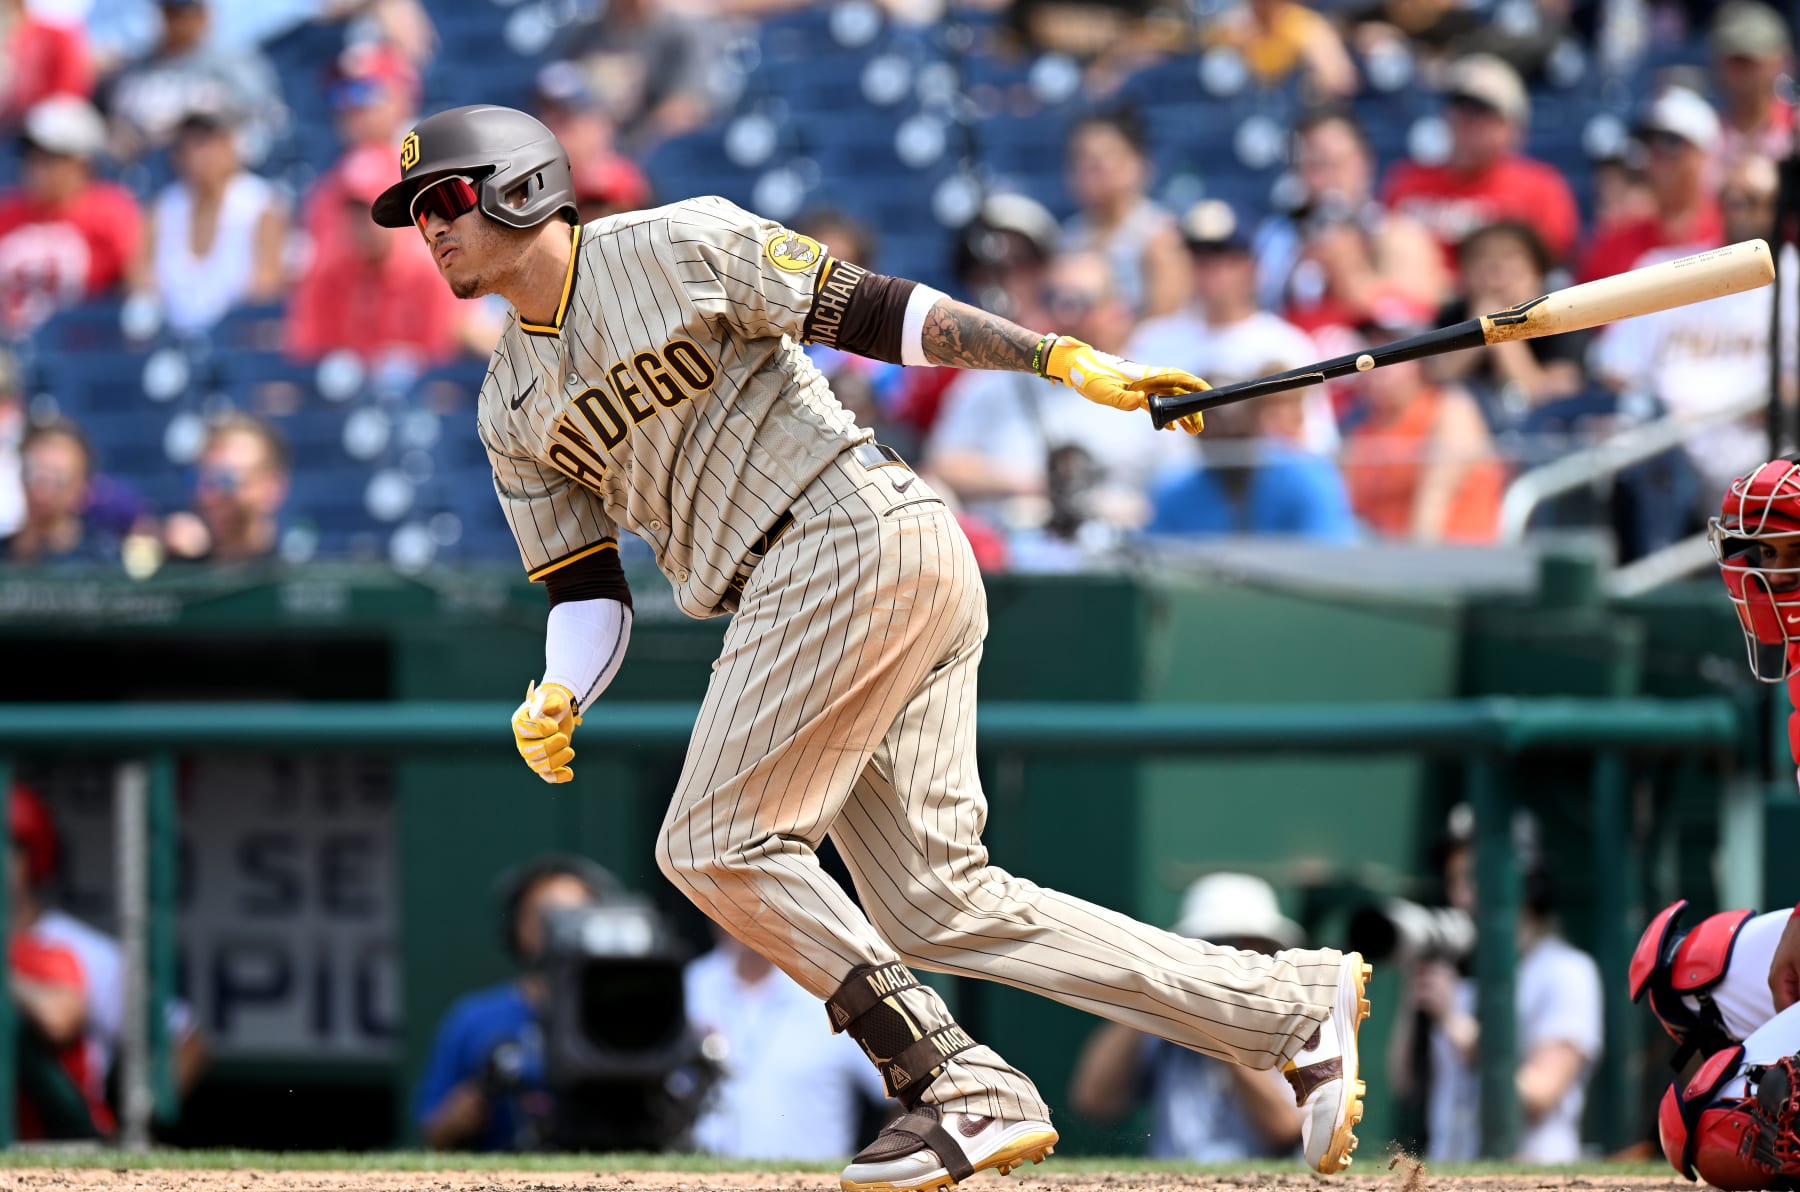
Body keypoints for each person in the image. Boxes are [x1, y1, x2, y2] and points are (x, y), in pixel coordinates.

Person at [372, 102, 1372, 1186]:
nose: (427, 227)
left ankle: (956, 1082)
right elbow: (585, 583)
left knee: (711, 841)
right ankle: (1285, 1009)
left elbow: (867, 309)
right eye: (414, 212)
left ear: (520, 186)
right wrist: (562, 686)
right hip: (826, 576)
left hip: (843, 532)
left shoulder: (669, 242)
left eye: (445, 199)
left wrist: (1052, 357)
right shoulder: (507, 399)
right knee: (939, 902)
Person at [924, 251, 1191, 538]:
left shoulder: (1149, 390)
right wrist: (1029, 484)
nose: (1065, 314)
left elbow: (1180, 485)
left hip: (1118, 553)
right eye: (1053, 299)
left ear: (1114, 311)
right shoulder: (996, 379)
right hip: (1013, 551)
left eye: (1079, 302)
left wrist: (1121, 508)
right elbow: (940, 465)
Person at [1386, 807, 1602, 1162]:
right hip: (1449, 1176)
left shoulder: (1567, 971)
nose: (1462, 897)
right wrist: (1417, 1003)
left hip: (1535, 1180)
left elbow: (1538, 1095)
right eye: (1454, 880)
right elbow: (1404, 1080)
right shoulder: (1456, 972)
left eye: (1473, 877)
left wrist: (1455, 1024)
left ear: (1527, 878)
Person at [1591, 154, 1795, 506]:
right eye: (1730, 199)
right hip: (1665, 447)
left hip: (1758, 452)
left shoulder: (1794, 280)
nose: (1739, 210)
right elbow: (1614, 365)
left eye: (1753, 201)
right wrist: (1667, 410)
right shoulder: (1668, 267)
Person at [1069, 873, 1308, 1159]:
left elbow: (1286, 1129)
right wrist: (1150, 994)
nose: (1230, 960)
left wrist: (1221, 1035)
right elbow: (1095, 1101)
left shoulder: (1296, 1023)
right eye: (1213, 945)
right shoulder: (1168, 1023)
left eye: (1246, 947)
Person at [414, 856, 610, 1151]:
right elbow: (432, 1130)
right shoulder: (474, 1019)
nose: (559, 931)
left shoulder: (624, 1018)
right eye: (545, 917)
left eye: (574, 916)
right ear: (517, 926)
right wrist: (463, 1114)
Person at [1134, 199, 1338, 455]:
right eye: (1200, 258)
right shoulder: (1153, 342)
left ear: (1252, 268)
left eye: (1224, 258)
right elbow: (1132, 439)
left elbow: (1318, 442)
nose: (1211, 271)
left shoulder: (1287, 345)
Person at [685, 927, 888, 1160]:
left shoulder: (831, 990)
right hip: (708, 1179)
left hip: (813, 1181)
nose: (740, 917)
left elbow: (901, 1092)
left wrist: (886, 1162)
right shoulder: (692, 983)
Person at [1256, 107, 1447, 354]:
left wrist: (1348, 274)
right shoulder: (1277, 238)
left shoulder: (1399, 233)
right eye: (1314, 166)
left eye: (1338, 163)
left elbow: (1420, 322)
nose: (1327, 179)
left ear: (1364, 162)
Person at [1381, 54, 1579, 269]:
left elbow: (1550, 264)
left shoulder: (1541, 187)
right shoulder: (1407, 180)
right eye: (1459, 107)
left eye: (1481, 112)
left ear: (1511, 127)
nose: (1467, 121)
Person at [287, 144, 465, 365]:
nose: (362, 225)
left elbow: (438, 361)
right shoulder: (326, 274)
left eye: (372, 213)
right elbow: (307, 354)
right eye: (354, 214)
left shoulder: (428, 274)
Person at [1340, 318, 1505, 543]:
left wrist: (1412, 569)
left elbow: (1431, 512)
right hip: (1380, 559)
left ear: (1420, 362)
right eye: (1368, 355)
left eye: (1387, 355)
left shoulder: (1449, 411)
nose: (1374, 368)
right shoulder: (1361, 432)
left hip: (1452, 559)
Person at [9, 784, 112, 1140]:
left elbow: (59, 1018)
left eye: (11, 847)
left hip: (67, 1147)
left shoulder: (67, 949)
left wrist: (141, 1126)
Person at [130, 103, 284, 336]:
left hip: (237, 344)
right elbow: (141, 281)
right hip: (172, 342)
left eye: (204, 142)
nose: (195, 154)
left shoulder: (261, 205)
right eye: (186, 145)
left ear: (230, 146)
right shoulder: (160, 209)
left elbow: (266, 286)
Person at [0, 96, 141, 335]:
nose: (37, 167)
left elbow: (135, 289)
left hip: (83, 348)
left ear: (81, 163)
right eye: (32, 157)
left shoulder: (111, 211)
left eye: (50, 158)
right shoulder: (7, 212)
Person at [1144, 392, 1356, 541]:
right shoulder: (1176, 492)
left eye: (1234, 426)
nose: (1221, 432)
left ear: (1255, 423)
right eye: (1206, 424)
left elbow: (1327, 556)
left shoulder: (1308, 477)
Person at [1433, 222, 1588, 416]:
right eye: (1481, 258)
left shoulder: (1562, 315)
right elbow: (1434, 382)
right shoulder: (1452, 314)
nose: (1495, 271)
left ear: (1536, 272)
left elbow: (1553, 395)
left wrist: (1498, 327)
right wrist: (1477, 327)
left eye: (1509, 257)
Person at [100, 0, 281, 164]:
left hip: (208, 177)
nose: (174, 21)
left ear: (204, 15)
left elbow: (264, 123)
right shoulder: (134, 69)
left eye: (182, 13)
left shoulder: (233, 65)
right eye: (169, 11)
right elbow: (115, 128)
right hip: (149, 175)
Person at [1579, 87, 1723, 283]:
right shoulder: (1612, 245)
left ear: (1703, 155)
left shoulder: (1731, 232)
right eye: (1649, 143)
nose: (1658, 155)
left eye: (1672, 142)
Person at [1060, 111, 1189, 320]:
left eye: (1102, 158)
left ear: (1136, 164)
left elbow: (1166, 320)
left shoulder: (1159, 233)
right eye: (1080, 159)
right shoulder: (1070, 236)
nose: (1090, 169)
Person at [161, 412, 289, 564]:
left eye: (226, 480)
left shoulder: (295, 585)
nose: (206, 496)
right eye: (201, 480)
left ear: (271, 489)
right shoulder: (178, 568)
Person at [0, 419, 117, 566]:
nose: (42, 488)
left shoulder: (101, 563)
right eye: (34, 472)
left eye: (58, 479)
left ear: (82, 490)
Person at [1200, 0, 1358, 98]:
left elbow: (1341, 80)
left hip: (1295, 117)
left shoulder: (1305, 25)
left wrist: (1313, 83)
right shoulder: (1233, 24)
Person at [1711, 1, 1795, 164]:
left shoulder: (1794, 127)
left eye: (1749, 60)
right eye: (1732, 59)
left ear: (1779, 61)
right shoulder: (1704, 134)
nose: (1739, 71)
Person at [0, 0, 92, 126]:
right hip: (18, 115)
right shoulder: (24, 33)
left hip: (47, 119)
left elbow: (67, 96)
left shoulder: (61, 30)